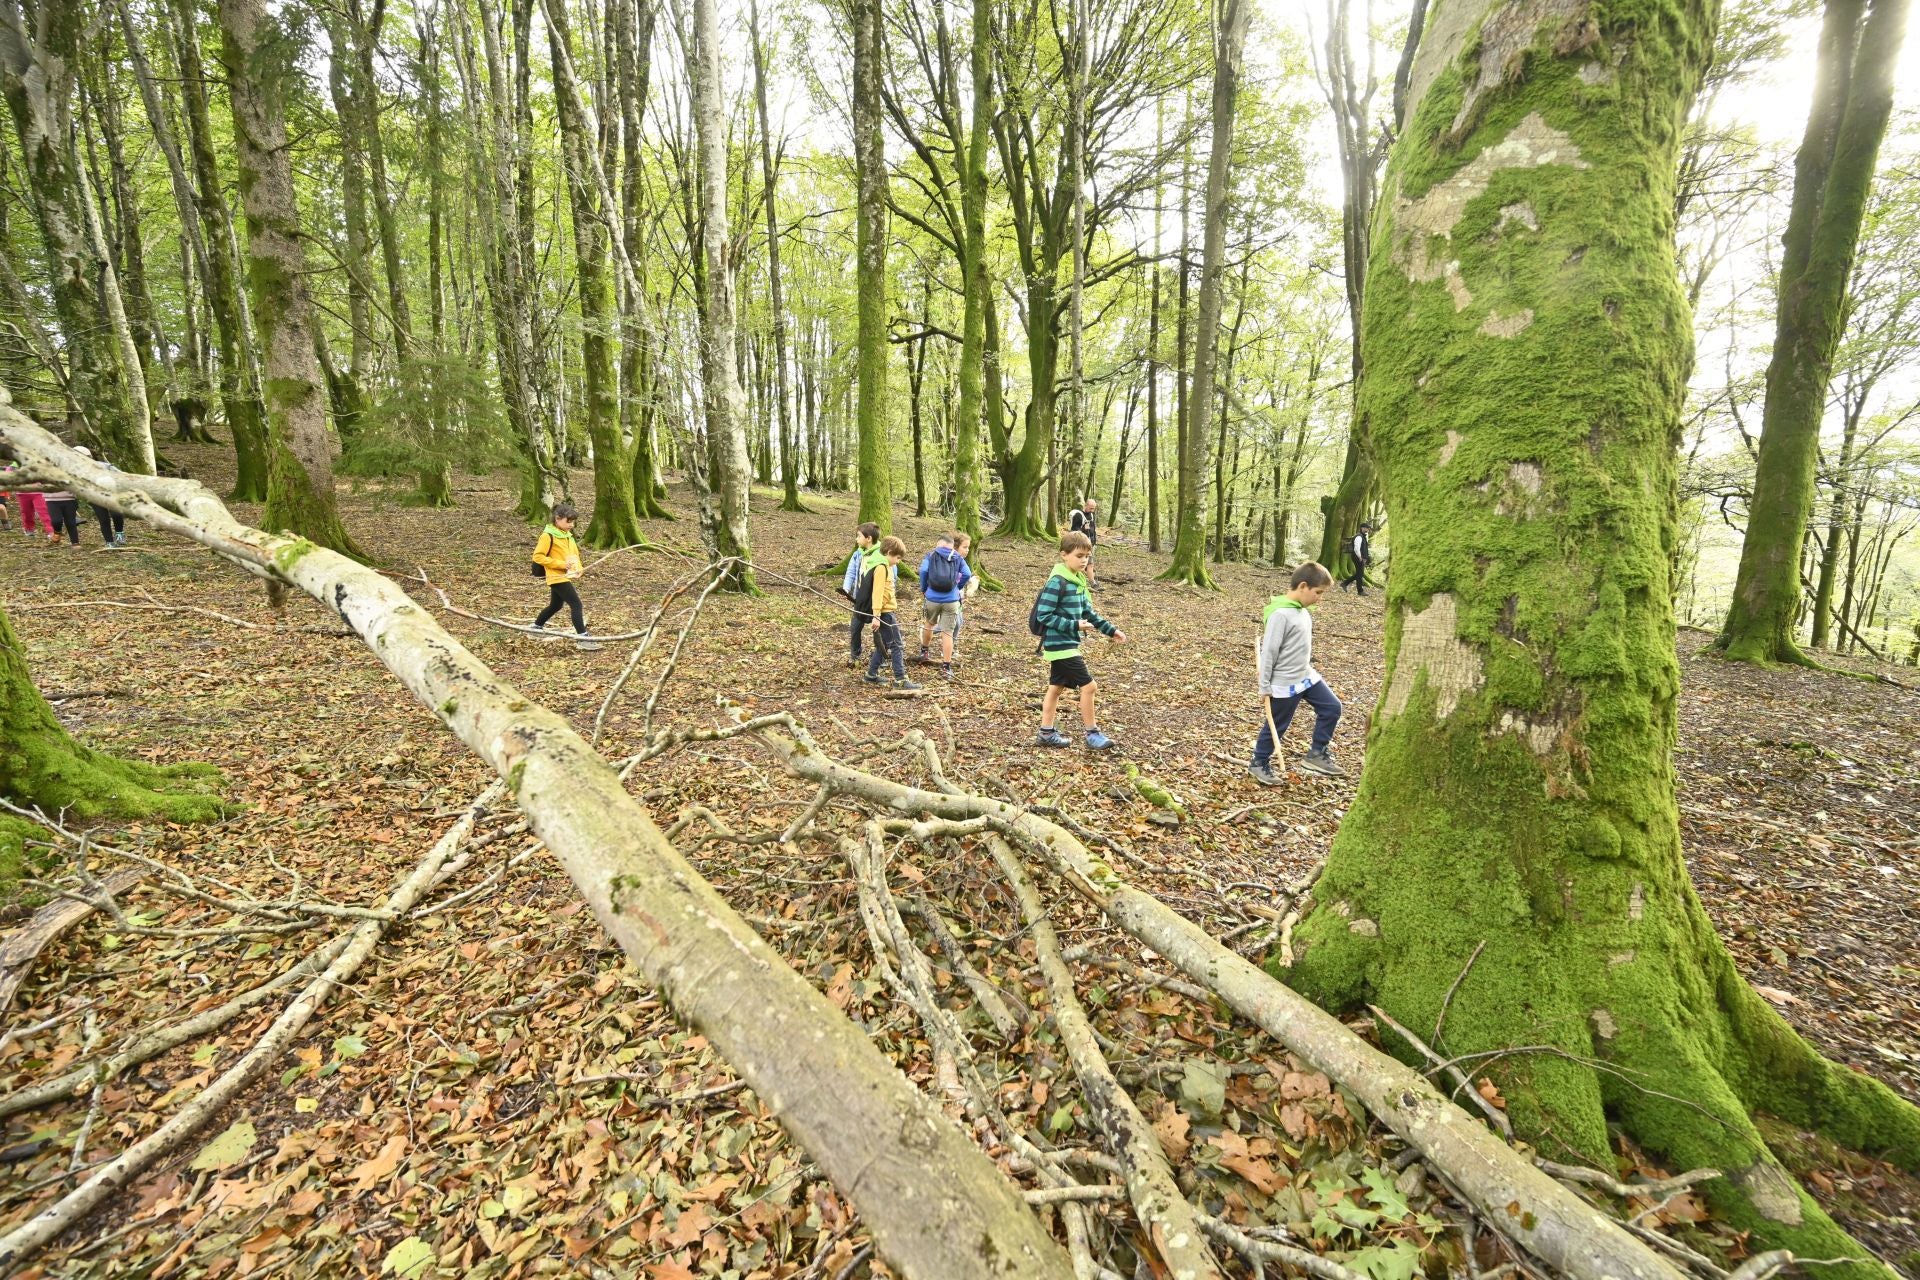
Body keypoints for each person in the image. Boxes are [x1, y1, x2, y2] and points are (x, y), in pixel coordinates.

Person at [1248, 561, 1344, 785]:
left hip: (1305, 676)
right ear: (1303, 586)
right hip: (1284, 682)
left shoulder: (1302, 611)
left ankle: (1316, 754)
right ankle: (1258, 763)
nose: (1319, 598)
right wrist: (1264, 686)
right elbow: (1269, 652)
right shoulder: (1280, 614)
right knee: (1277, 725)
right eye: (1318, 592)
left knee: (1331, 707)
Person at [1035, 530, 1126, 749]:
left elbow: (1089, 613)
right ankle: (1092, 734)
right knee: (1089, 686)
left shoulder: (1079, 581)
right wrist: (1073, 625)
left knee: (1056, 687)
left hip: (1069, 643)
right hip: (1060, 644)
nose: (1084, 560)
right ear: (1064, 555)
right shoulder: (1057, 582)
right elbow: (1043, 615)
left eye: (1087, 555)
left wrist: (1111, 630)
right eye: (1079, 555)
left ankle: (1046, 733)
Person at [530, 503, 602, 651]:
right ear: (558, 518)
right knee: (576, 604)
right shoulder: (548, 535)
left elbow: (574, 555)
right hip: (556, 576)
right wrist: (561, 565)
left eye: (573, 522)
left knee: (556, 605)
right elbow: (538, 557)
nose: (571, 525)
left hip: (566, 575)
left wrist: (579, 568)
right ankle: (582, 638)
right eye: (568, 521)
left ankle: (536, 627)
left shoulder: (568, 536)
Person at [862, 535, 920, 690]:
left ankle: (871, 674)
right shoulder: (881, 567)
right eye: (897, 558)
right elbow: (877, 593)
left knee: (886, 644)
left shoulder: (885, 566)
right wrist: (876, 616)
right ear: (888, 552)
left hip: (885, 611)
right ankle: (901, 679)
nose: (898, 561)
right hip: (884, 613)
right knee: (897, 645)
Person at [916, 532, 972, 679]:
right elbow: (967, 573)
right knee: (947, 632)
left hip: (932, 598)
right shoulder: (957, 557)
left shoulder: (931, 555)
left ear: (938, 544)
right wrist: (956, 586)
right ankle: (946, 667)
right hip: (952, 600)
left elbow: (923, 571)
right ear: (951, 545)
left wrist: (924, 588)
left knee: (929, 624)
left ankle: (924, 651)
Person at [840, 521, 882, 668]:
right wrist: (846, 589)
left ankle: (880, 657)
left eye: (858, 536)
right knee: (855, 628)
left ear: (868, 538)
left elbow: (891, 578)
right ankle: (855, 655)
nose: (856, 539)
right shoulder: (858, 553)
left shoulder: (881, 554)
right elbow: (851, 571)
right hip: (859, 599)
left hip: (875, 601)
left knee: (879, 631)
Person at [74, 446, 127, 548]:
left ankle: (119, 533)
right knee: (103, 519)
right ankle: (109, 542)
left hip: (111, 494)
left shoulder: (104, 466)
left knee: (116, 514)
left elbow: (121, 475)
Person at [42, 466, 81, 548]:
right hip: (51, 499)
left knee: (70, 522)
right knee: (56, 520)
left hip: (69, 498)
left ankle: (75, 542)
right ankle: (57, 531)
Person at [1339, 522, 1373, 594]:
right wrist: (1360, 557)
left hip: (1361, 558)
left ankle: (1345, 583)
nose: (1367, 529)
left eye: (1368, 528)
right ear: (1362, 528)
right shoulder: (1359, 537)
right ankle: (1360, 591)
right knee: (1359, 574)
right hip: (1358, 557)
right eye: (1366, 528)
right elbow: (1356, 548)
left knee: (1359, 574)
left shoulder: (1364, 536)